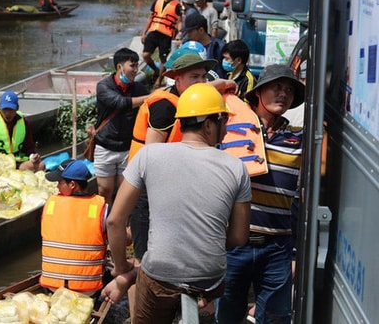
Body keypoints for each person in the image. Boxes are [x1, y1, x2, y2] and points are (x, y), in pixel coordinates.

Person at [102, 83, 251, 323]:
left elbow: (114, 220)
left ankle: (129, 278)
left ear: (181, 122)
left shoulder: (149, 156)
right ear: (209, 124)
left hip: (160, 274)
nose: (226, 130)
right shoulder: (236, 168)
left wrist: (121, 269)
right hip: (209, 278)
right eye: (224, 121)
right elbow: (239, 237)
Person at [124, 52, 237, 321]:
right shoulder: (165, 107)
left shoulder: (190, 103)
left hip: (172, 191)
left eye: (202, 77)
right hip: (148, 195)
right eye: (193, 77)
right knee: (143, 264)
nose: (200, 82)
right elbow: (151, 158)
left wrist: (219, 84)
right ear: (177, 78)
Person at [216, 64, 306, 324]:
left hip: (278, 247)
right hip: (234, 244)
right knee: (228, 317)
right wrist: (224, 86)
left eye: (289, 90)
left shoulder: (299, 139)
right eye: (276, 87)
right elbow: (190, 99)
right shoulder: (229, 127)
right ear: (258, 93)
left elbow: (302, 200)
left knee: (276, 319)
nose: (283, 94)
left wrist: (295, 253)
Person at [40, 159, 108, 296]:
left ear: (72, 184)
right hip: (88, 289)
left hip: (53, 287)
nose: (57, 187)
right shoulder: (101, 207)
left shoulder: (50, 204)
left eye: (59, 182)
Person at [94, 48, 150, 207]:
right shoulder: (104, 87)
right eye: (132, 65)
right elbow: (120, 103)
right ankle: (104, 225)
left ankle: (121, 226)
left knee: (124, 192)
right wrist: (150, 96)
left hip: (128, 147)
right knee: (104, 190)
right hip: (105, 145)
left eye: (137, 65)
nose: (136, 70)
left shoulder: (139, 89)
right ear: (120, 67)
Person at [0, 90, 45, 172]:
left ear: (17, 108)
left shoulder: (24, 122)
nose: (7, 113)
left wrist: (32, 157)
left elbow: (29, 147)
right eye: (5, 109)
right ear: (0, 107)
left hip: (18, 163)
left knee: (41, 165)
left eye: (11, 110)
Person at [141, 0, 183, 88]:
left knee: (163, 59)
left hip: (166, 35)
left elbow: (179, 21)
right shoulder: (157, 1)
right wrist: (144, 33)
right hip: (154, 31)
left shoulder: (177, 5)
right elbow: (150, 17)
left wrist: (180, 32)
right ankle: (156, 70)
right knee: (146, 55)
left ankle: (159, 80)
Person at [184, 13, 227, 79]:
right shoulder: (187, 47)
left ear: (201, 30)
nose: (188, 35)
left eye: (190, 32)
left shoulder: (220, 47)